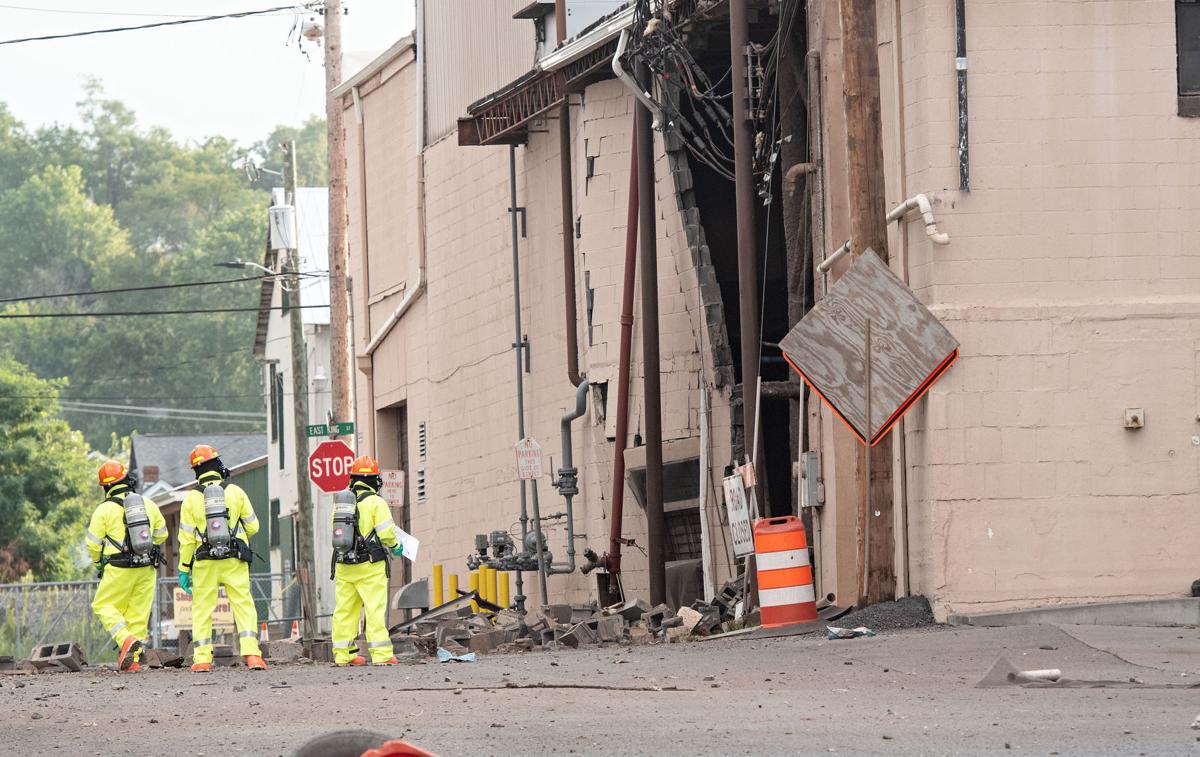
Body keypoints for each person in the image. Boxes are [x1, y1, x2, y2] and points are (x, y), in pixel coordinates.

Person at [177, 444, 267, 672]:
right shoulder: (235, 492)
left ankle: (202, 659)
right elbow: (254, 526)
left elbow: (186, 540)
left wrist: (184, 569)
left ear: (196, 471)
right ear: (217, 465)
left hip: (204, 562)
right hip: (233, 558)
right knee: (243, 605)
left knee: (202, 610)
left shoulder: (190, 499)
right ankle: (252, 655)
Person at [86, 459, 167, 672]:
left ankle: (125, 639)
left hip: (118, 567)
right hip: (147, 566)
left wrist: (98, 564)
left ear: (106, 487)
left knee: (102, 605)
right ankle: (134, 662)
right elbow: (162, 533)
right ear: (126, 480)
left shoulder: (103, 510)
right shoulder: (147, 504)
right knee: (138, 616)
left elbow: (92, 544)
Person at [330, 455, 404, 666]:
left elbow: (334, 533)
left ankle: (344, 655)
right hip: (370, 565)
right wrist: (396, 546)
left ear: (353, 478)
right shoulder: (376, 502)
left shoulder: (341, 504)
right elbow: (387, 533)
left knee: (344, 610)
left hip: (344, 565)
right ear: (375, 480)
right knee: (374, 609)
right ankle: (381, 655)